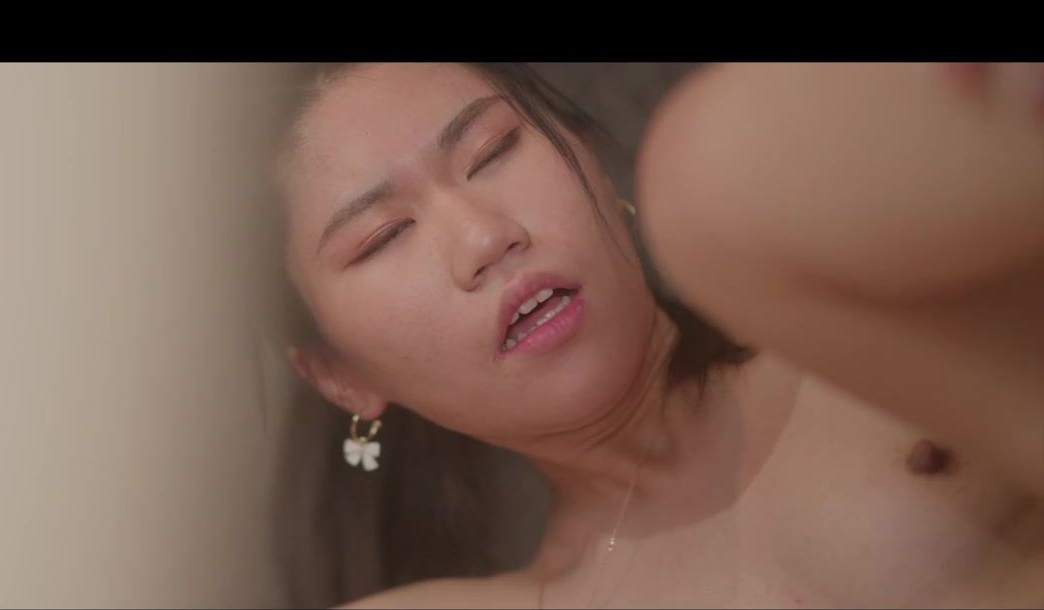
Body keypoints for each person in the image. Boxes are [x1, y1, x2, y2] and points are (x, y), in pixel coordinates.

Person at [270, 62, 1044, 607]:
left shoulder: (865, 320)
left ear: (597, 162)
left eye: (494, 150)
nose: (484, 237)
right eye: (383, 237)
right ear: (341, 376)